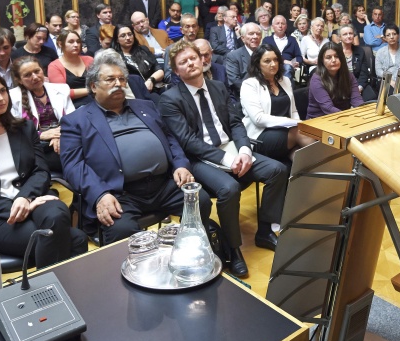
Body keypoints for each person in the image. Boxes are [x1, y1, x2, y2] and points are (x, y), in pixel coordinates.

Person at [159, 41, 289, 278]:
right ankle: (233, 249)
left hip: (230, 147)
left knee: (277, 170)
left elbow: (236, 123)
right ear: (176, 71)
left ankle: (265, 230)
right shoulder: (169, 99)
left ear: (202, 60)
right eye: (183, 62)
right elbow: (188, 141)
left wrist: (245, 151)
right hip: (199, 158)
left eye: (193, 58)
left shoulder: (218, 87)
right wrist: (228, 160)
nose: (190, 63)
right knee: (229, 189)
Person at [60, 56, 210, 244]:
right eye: (110, 79)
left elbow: (170, 139)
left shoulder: (145, 106)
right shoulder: (76, 121)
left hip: (163, 185)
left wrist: (180, 165)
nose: (118, 84)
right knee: (121, 230)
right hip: (118, 192)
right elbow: (74, 166)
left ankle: (193, 249)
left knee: (200, 200)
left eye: (122, 79)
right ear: (93, 86)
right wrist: (100, 194)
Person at [0, 72, 87, 267]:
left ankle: (47, 285)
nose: (0, 98)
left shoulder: (24, 128)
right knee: (76, 239)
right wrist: (16, 205)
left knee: (57, 214)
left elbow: (41, 171)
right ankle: (53, 285)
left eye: (3, 91)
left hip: (33, 197)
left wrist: (25, 198)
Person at [240, 44, 313, 164]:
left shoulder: (285, 81)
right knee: (300, 133)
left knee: (301, 150)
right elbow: (258, 119)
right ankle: (329, 167)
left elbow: (293, 111)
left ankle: (315, 173)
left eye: (275, 60)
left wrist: (298, 123)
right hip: (260, 135)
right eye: (267, 61)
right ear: (258, 64)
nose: (273, 64)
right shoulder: (250, 84)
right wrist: (292, 122)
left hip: (287, 131)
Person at [10, 56, 74, 174]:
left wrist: (57, 135)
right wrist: (41, 135)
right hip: (35, 146)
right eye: (27, 75)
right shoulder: (12, 98)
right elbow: (15, 130)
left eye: (37, 71)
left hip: (64, 138)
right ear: (19, 80)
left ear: (42, 70)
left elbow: (73, 120)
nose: (35, 77)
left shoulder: (61, 89)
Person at [307, 43, 363, 119]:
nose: (333, 60)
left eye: (337, 56)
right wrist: (349, 118)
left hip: (341, 117)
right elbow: (328, 108)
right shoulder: (316, 80)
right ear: (322, 61)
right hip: (318, 120)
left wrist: (363, 113)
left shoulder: (348, 75)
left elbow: (357, 100)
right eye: (328, 57)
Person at [110, 24, 164, 93]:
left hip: (153, 88)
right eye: (123, 36)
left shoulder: (143, 50)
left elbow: (159, 70)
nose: (128, 38)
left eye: (130, 34)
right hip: (131, 92)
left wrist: (151, 80)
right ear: (117, 40)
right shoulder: (114, 57)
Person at [48, 29, 94, 108]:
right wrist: (91, 90)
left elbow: (99, 82)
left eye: (78, 42)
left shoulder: (89, 60)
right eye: (71, 42)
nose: (76, 45)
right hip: (71, 106)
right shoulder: (54, 66)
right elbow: (62, 93)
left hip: (95, 101)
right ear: (60, 44)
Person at [225, 22, 262, 100]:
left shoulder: (266, 53)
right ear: (242, 38)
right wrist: (255, 92)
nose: (255, 36)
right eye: (251, 34)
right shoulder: (233, 56)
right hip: (245, 96)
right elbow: (235, 81)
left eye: (258, 34)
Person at [338, 24, 375, 101]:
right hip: (340, 84)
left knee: (371, 97)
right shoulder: (334, 50)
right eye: (345, 34)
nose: (348, 36)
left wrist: (359, 87)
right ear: (340, 37)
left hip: (357, 83)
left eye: (350, 33)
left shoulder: (360, 51)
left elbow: (364, 73)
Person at [263, 15, 302, 79]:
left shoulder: (292, 40)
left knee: (287, 67)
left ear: (286, 26)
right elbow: (264, 57)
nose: (280, 26)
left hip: (289, 67)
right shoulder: (267, 40)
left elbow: (299, 57)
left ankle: (284, 85)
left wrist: (296, 62)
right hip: (271, 65)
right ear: (272, 27)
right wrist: (283, 61)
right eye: (277, 23)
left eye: (282, 24)